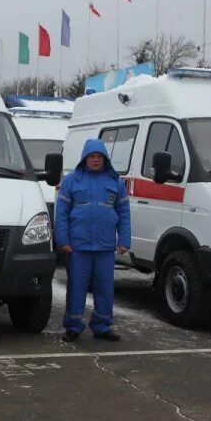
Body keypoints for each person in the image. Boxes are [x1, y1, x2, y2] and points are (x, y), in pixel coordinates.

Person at [55, 138, 131, 343]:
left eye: (99, 157)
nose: (96, 160)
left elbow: (124, 212)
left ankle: (102, 326)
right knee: (77, 288)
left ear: (105, 159)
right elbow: (61, 213)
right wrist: (63, 240)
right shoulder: (72, 181)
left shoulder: (115, 182)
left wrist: (124, 240)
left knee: (105, 289)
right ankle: (73, 327)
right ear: (85, 158)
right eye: (92, 156)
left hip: (105, 247)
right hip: (78, 246)